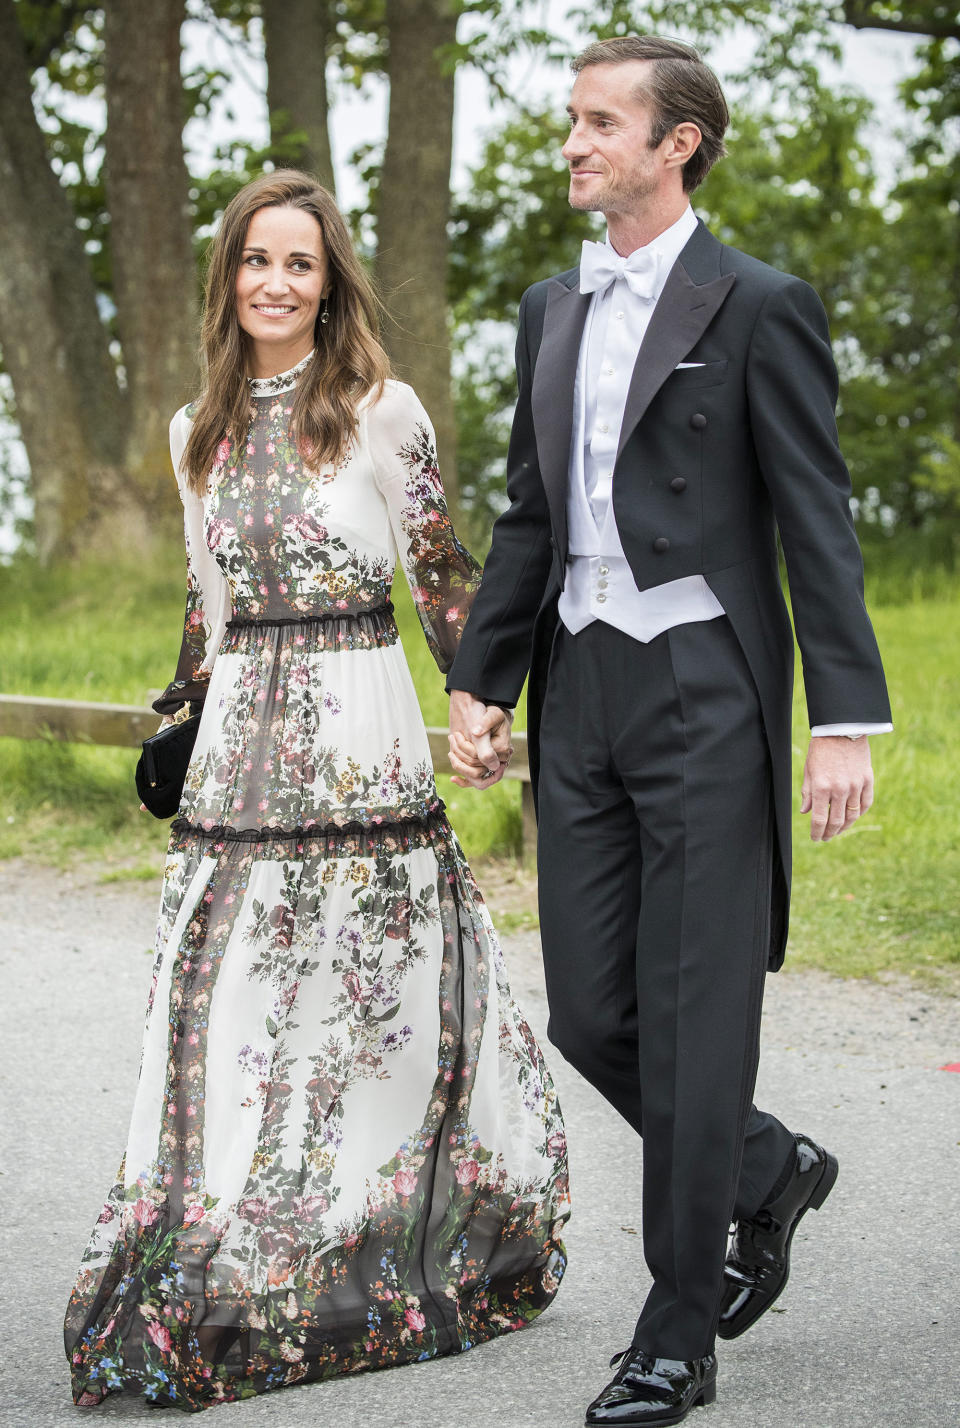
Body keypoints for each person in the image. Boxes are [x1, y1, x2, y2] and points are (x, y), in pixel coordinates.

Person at [64, 170, 569, 1413]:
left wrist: (484, 699)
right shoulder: (196, 431)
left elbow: (444, 577)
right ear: (227, 279)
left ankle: (380, 1249)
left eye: (300, 263)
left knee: (372, 1003)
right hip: (241, 744)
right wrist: (179, 711)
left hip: (361, 726)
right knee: (225, 997)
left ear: (330, 280)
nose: (275, 283)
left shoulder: (382, 414)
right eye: (254, 261)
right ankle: (226, 1248)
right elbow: (209, 601)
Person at [447, 35, 891, 1428]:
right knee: (590, 1007)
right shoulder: (547, 309)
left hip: (706, 688)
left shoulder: (759, 303)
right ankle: (767, 1168)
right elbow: (533, 509)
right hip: (582, 686)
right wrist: (486, 678)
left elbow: (816, 516)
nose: (571, 142)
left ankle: (675, 1331)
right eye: (573, 120)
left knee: (700, 1025)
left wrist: (846, 718)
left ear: (677, 142)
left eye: (599, 122)